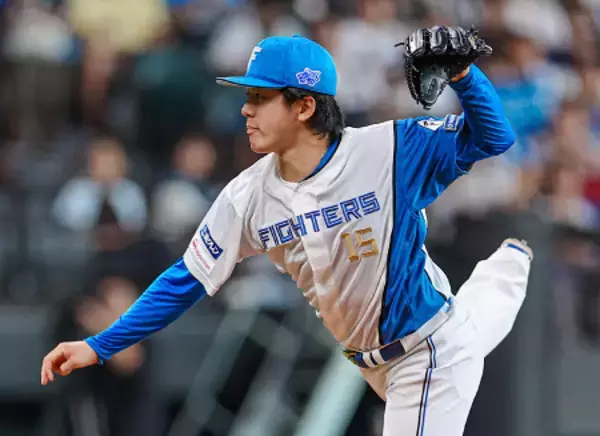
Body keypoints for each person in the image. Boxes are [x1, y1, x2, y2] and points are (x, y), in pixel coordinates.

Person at [41, 32, 533, 436]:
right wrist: (101, 344)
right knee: (479, 318)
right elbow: (184, 279)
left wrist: (463, 76)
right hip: (375, 361)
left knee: (461, 339)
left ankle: (509, 267)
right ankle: (512, 262)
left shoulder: (388, 149)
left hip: (426, 353)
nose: (245, 110)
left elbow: (495, 137)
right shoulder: (247, 196)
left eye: (260, 97)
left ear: (303, 106)